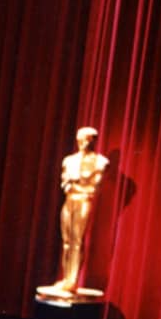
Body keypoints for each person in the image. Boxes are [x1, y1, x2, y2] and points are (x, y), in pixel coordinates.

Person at [46, 125, 109, 297]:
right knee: (66, 241)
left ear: (93, 141)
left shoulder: (100, 162)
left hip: (83, 201)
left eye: (87, 140)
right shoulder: (69, 160)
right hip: (69, 201)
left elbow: (94, 188)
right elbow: (64, 184)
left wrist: (75, 183)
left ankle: (73, 280)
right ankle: (66, 279)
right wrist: (72, 184)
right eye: (80, 140)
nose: (83, 143)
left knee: (77, 240)